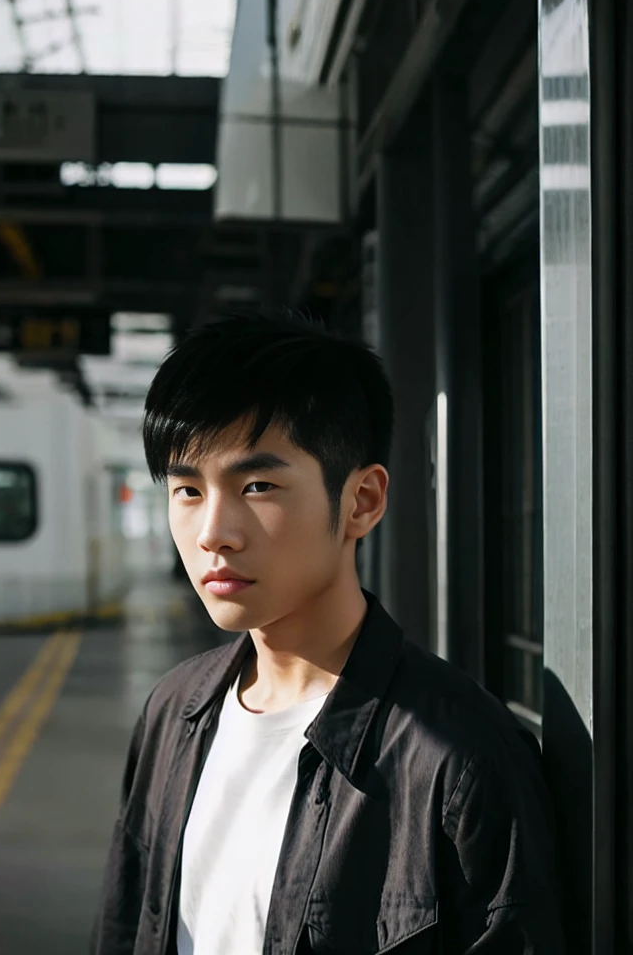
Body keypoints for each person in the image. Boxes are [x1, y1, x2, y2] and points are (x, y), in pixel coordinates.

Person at [91, 311, 565, 954]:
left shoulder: (463, 760)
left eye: (257, 485)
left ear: (362, 501)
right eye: (187, 490)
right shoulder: (174, 712)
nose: (212, 534)